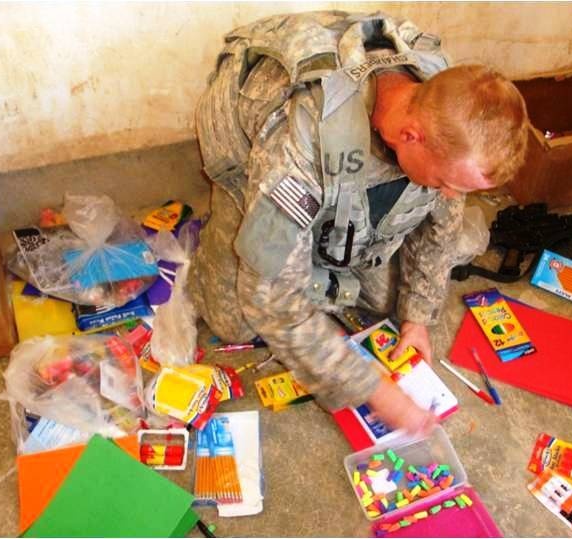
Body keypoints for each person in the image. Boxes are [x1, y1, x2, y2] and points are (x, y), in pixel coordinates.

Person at [188, 11, 529, 435]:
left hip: (343, 170)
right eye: (445, 182)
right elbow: (269, 297)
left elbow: (440, 229)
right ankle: (241, 235)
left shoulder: (448, 120)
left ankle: (316, 240)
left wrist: (417, 317)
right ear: (410, 136)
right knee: (239, 318)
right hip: (250, 157)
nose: (451, 198)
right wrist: (372, 389)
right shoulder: (305, 137)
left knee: (388, 303)